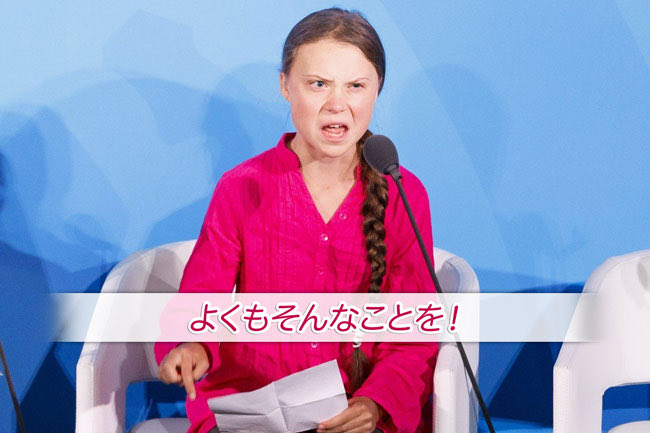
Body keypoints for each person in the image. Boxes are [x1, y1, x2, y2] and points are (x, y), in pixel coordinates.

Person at [155, 8, 438, 433]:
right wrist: (192, 345)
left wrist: (375, 402)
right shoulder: (241, 187)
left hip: (352, 414)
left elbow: (414, 333)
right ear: (285, 85)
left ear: (377, 89)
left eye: (356, 86)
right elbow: (201, 296)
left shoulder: (402, 192)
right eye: (318, 84)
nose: (337, 104)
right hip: (252, 409)